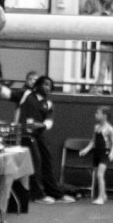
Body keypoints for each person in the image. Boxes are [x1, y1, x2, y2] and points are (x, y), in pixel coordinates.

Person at [18, 75, 75, 204]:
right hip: (25, 135)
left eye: (49, 85)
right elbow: (6, 93)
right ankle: (37, 195)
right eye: (45, 84)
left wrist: (41, 125)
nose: (47, 87)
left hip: (39, 135)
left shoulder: (48, 103)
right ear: (38, 85)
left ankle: (55, 193)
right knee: (36, 162)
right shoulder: (26, 95)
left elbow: (49, 121)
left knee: (47, 162)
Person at [78, 106, 113, 205]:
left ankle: (100, 198)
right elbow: (93, 141)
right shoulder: (96, 127)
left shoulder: (109, 129)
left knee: (100, 174)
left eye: (98, 113)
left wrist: (112, 153)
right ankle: (103, 194)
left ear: (104, 116)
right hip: (97, 153)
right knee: (97, 175)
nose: (95, 115)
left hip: (105, 153)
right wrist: (86, 150)